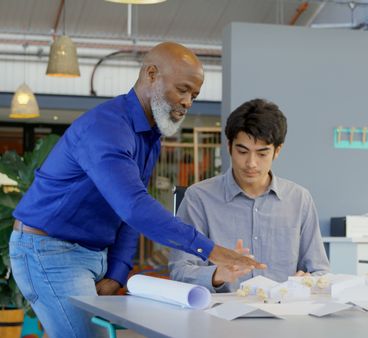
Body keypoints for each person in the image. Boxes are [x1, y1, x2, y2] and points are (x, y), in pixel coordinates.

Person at [9, 42, 264, 337]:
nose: (188, 102)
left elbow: (129, 212)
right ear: (151, 75)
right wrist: (211, 250)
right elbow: (133, 206)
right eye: (182, 89)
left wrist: (117, 272)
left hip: (90, 254)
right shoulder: (106, 128)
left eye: (194, 95)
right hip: (49, 249)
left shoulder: (149, 135)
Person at [169, 99, 330, 292]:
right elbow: (180, 270)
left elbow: (320, 272)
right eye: (242, 151)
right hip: (220, 316)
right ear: (229, 147)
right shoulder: (199, 198)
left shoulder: (299, 199)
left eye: (262, 154)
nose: (251, 163)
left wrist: (307, 281)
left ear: (277, 151)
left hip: (284, 313)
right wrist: (217, 275)